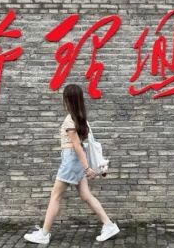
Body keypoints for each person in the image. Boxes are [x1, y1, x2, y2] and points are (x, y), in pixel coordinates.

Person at [24, 84, 120, 244]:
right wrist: (85, 166)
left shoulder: (70, 120)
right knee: (86, 195)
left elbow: (77, 147)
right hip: (75, 161)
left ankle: (44, 234)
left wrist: (87, 168)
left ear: (68, 100)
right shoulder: (81, 119)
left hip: (71, 161)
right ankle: (109, 225)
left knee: (55, 196)